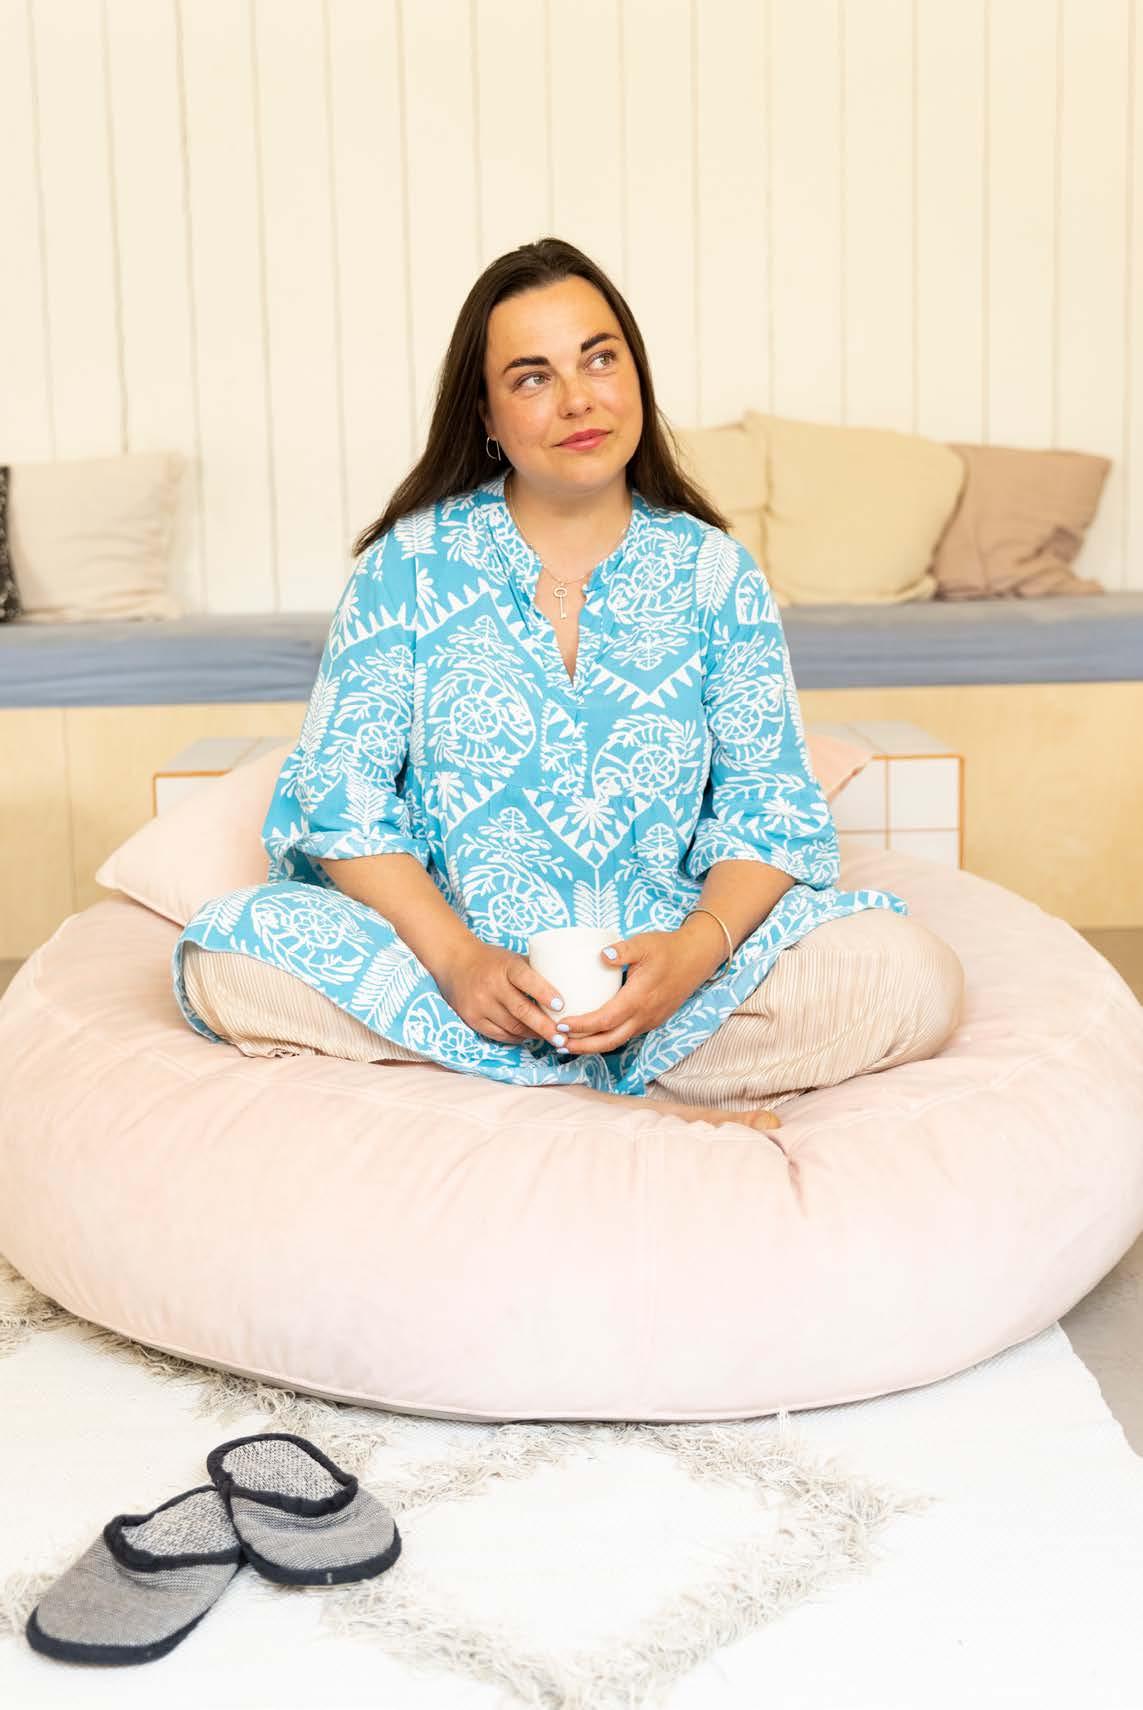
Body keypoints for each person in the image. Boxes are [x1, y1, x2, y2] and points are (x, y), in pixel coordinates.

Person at [174, 237, 963, 1132]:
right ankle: (619, 1105)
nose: (578, 399)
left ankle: (533, 1097)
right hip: (457, 976)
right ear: (485, 412)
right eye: (531, 377)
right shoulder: (407, 566)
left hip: (672, 984)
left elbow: (770, 808)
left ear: (636, 374)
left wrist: (692, 955)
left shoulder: (714, 573)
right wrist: (458, 961)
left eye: (598, 359)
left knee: (908, 977)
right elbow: (340, 798)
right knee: (225, 959)